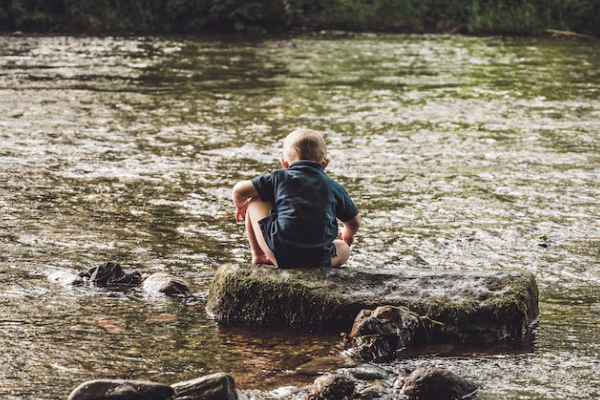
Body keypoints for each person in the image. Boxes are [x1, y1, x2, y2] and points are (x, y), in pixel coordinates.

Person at [232, 128, 360, 268]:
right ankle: (320, 260)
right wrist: (348, 234)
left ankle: (259, 255)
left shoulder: (278, 178)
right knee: (344, 248)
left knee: (255, 199)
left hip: (281, 256)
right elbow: (354, 222)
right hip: (319, 260)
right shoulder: (333, 187)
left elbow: (239, 190)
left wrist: (241, 206)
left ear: (285, 164)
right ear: (324, 164)